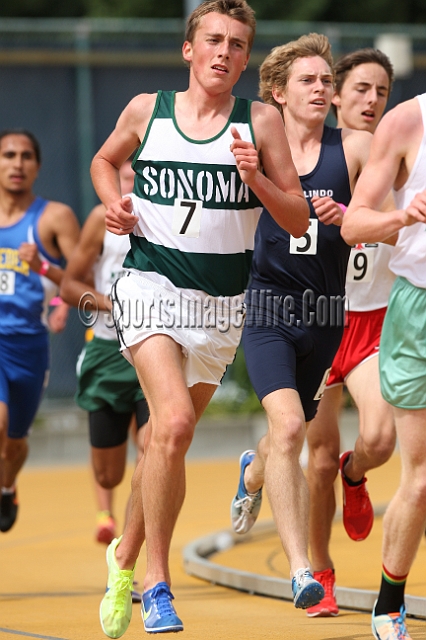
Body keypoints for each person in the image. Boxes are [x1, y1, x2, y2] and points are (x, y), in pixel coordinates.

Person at [90, 1, 309, 636]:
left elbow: (295, 218)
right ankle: (157, 584)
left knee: (164, 442)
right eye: (213, 40)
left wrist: (257, 181)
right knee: (176, 424)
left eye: (238, 44)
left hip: (220, 303)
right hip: (149, 282)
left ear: (247, 57)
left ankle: (124, 558)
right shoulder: (146, 110)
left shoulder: (261, 121)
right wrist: (114, 206)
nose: (224, 52)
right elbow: (106, 163)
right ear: (189, 49)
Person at [229, 33, 372, 611]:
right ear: (277, 93)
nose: (322, 89)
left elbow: (383, 218)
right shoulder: (256, 146)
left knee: (282, 436)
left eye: (326, 81)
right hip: (266, 305)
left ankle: (253, 473)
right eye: (308, 81)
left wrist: (353, 216)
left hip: (326, 314)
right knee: (290, 428)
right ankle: (300, 571)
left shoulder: (355, 147)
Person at [305, 48, 396, 617]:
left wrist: (365, 222)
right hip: (313, 319)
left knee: (380, 439)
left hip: (369, 322)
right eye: (360, 89)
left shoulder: (398, 156)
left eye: (382, 92)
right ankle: (321, 569)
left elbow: (406, 237)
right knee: (309, 458)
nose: (371, 101)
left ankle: (355, 473)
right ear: (336, 95)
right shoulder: (312, 152)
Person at [341, 92, 426, 640]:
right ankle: (389, 598)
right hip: (417, 310)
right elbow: (353, 226)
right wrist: (405, 213)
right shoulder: (408, 121)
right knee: (420, 477)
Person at [60, 159, 149, 552]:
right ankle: (107, 515)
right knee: (109, 474)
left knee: (155, 448)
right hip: (107, 351)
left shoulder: (173, 214)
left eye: (142, 174)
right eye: (127, 175)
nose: (133, 183)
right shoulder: (102, 218)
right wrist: (112, 303)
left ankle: (130, 550)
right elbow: (68, 285)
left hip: (155, 347)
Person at [0, 129, 80, 532]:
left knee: (14, 443)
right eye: (8, 155)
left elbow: (82, 278)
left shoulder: (53, 217)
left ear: (37, 166)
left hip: (29, 342)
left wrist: (47, 275)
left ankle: (7, 486)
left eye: (26, 156)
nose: (17, 163)